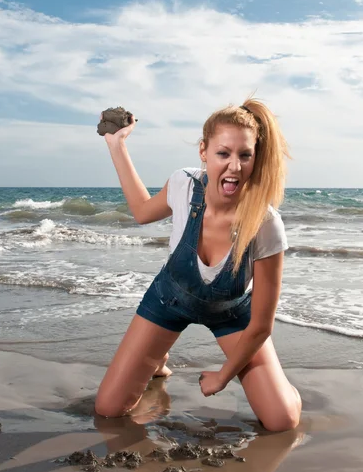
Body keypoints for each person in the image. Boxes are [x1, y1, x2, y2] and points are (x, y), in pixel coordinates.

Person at [95, 98, 302, 432]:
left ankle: (282, 389)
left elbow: (262, 326)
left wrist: (223, 376)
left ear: (255, 158)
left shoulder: (265, 223)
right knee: (108, 409)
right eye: (224, 153)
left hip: (232, 315)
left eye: (244, 155)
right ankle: (157, 360)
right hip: (168, 302)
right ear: (204, 152)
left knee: (282, 420)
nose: (234, 166)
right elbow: (142, 211)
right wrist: (116, 144)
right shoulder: (184, 184)